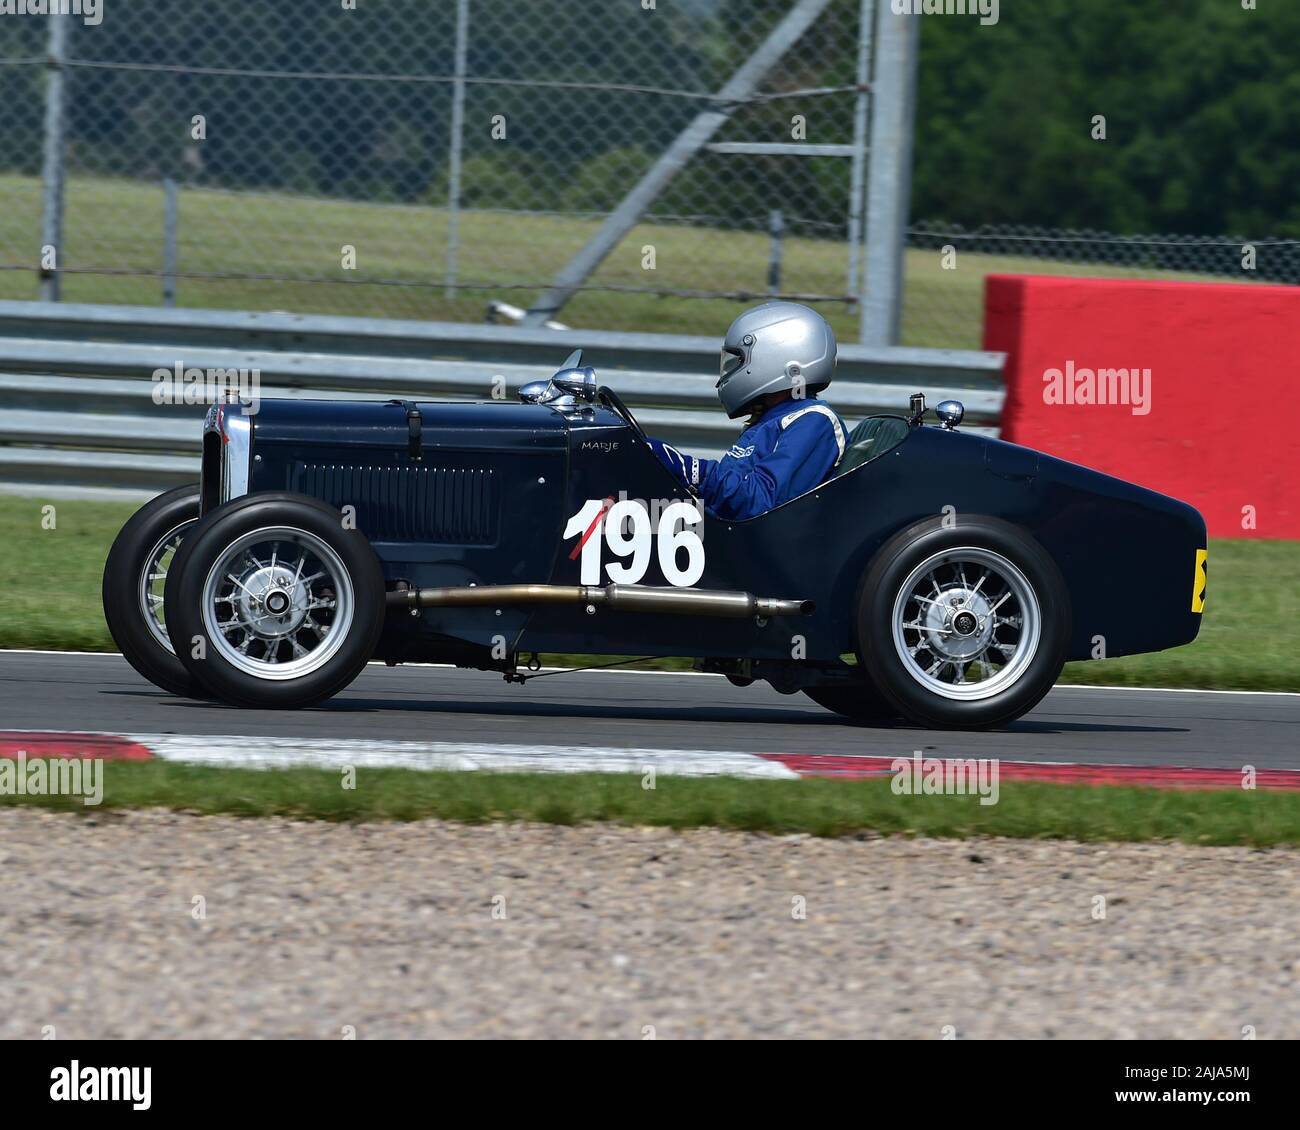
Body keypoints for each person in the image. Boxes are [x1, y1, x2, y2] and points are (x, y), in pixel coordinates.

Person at [648, 301, 846, 520]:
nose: (730, 371)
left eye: (739, 360)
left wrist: (692, 470)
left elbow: (759, 503)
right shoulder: (768, 420)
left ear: (777, 358)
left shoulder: (813, 422)